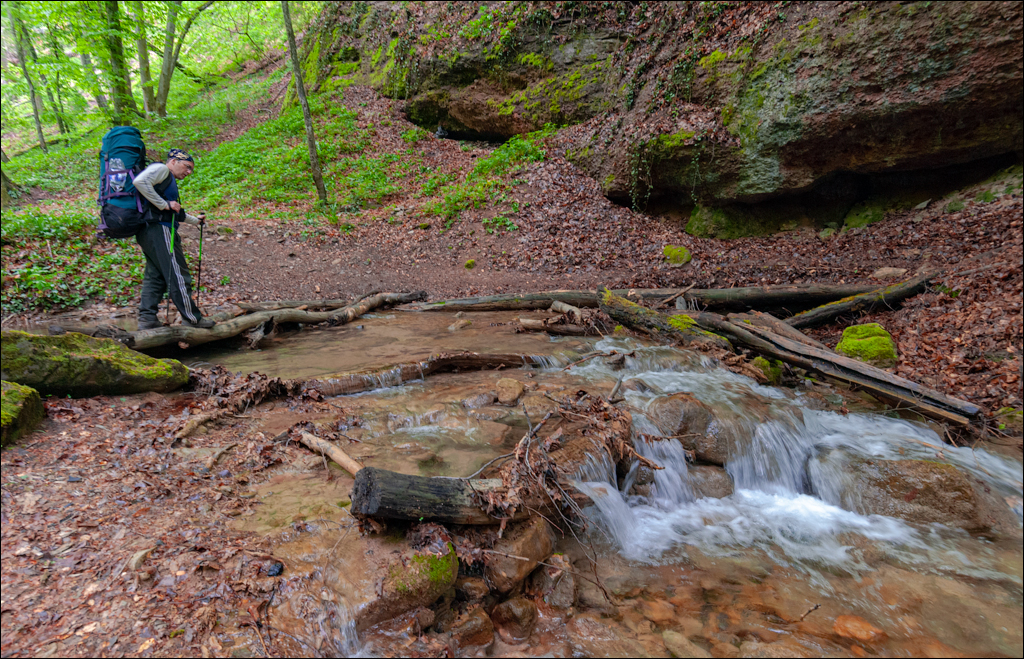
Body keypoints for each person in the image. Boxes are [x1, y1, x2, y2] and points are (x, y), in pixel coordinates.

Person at [131, 149, 216, 330]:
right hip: (159, 230)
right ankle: (192, 318)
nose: (189, 172)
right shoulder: (162, 169)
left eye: (191, 169)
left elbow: (173, 212)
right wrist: (165, 204)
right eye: (187, 166)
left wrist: (195, 222)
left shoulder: (166, 181)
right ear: (174, 161)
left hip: (149, 230)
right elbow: (139, 182)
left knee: (155, 277)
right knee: (177, 274)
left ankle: (147, 320)